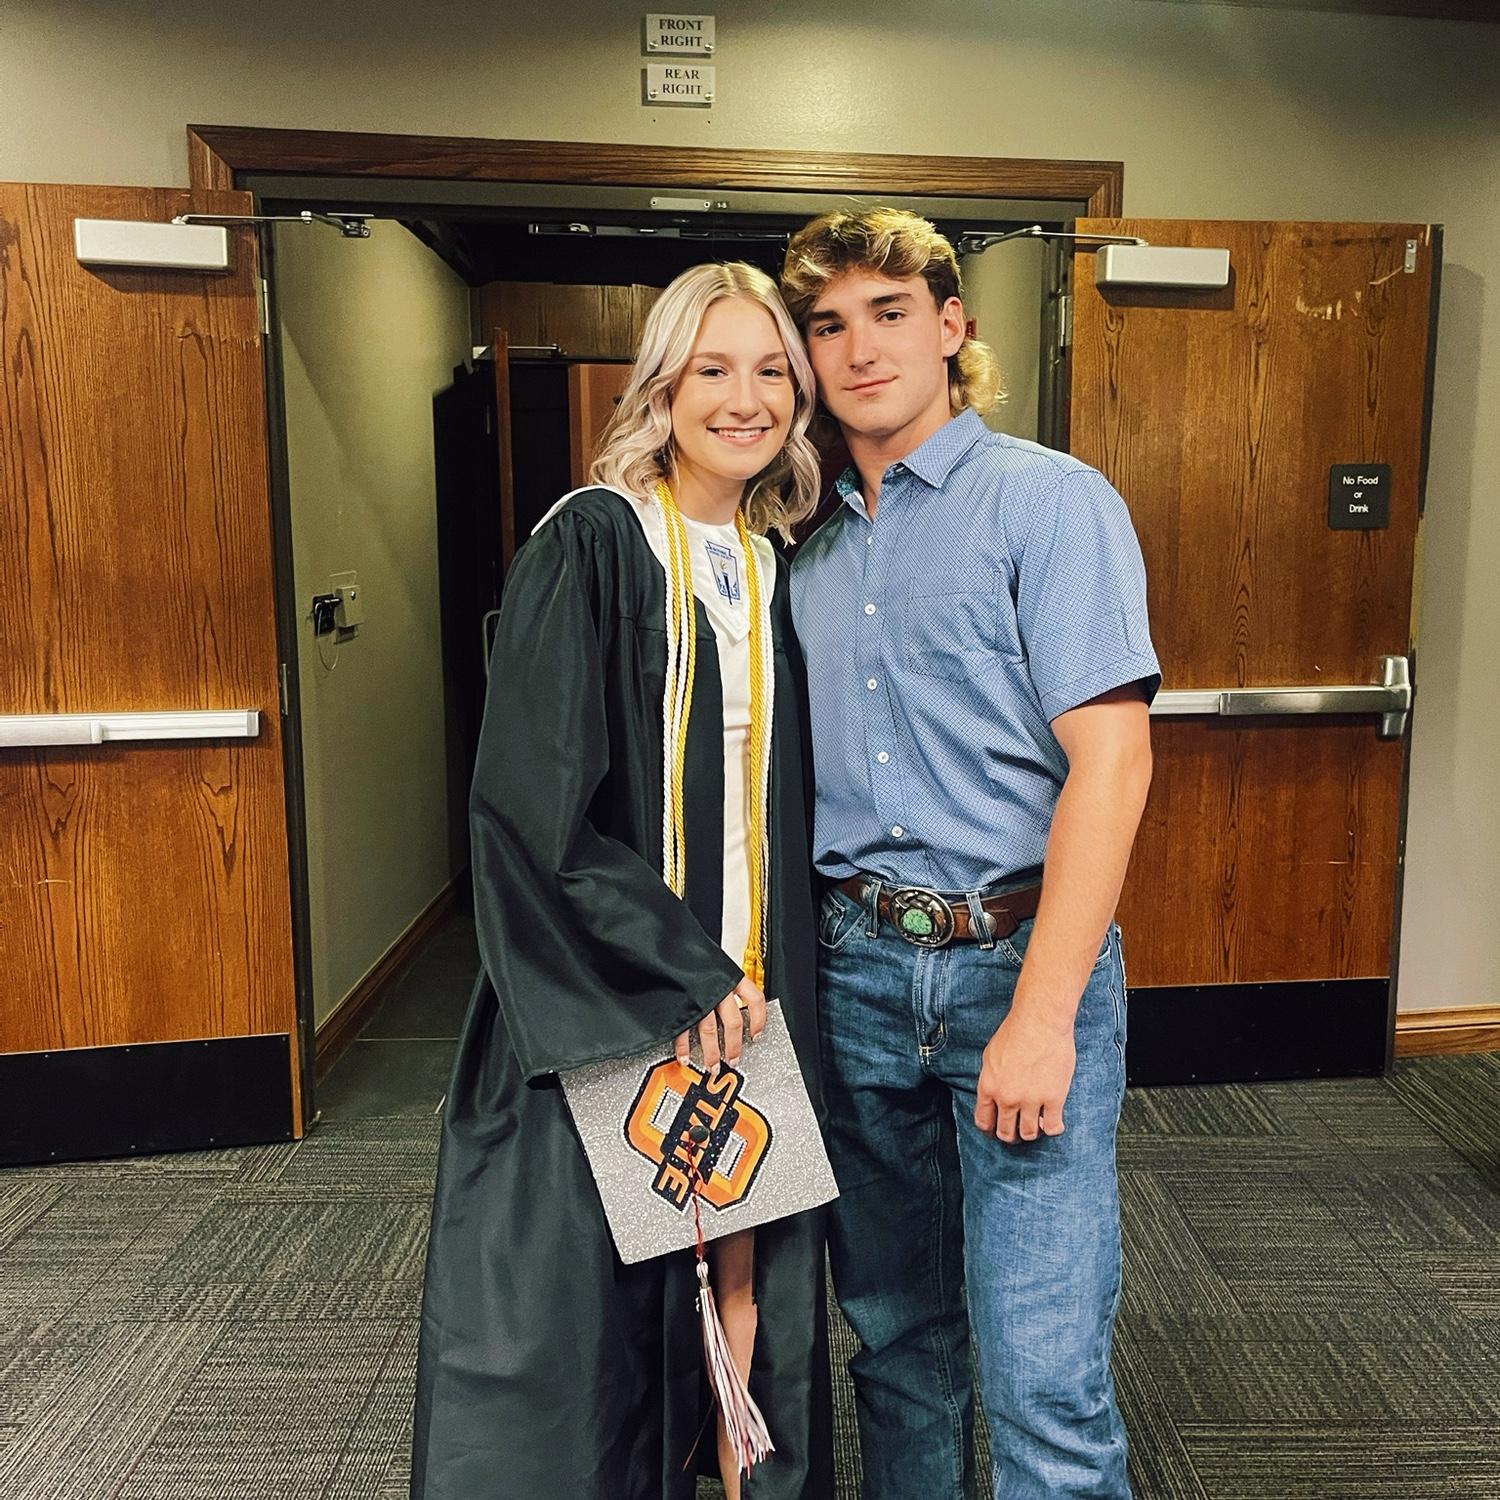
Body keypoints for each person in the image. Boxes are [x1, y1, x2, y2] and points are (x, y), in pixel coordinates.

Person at [409, 262, 833, 1500]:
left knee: (749, 1303)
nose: (746, 400)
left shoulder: (778, 560)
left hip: (758, 1004)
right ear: (662, 387)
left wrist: (744, 987)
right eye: (714, 370)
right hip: (618, 997)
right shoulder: (591, 542)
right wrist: (682, 974)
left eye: (772, 372)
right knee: (593, 1341)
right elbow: (531, 809)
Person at [781, 209, 1159, 1499]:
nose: (860, 349)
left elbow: (1113, 764)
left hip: (1018, 960)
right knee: (896, 1345)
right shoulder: (801, 536)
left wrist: (1044, 1018)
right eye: (829, 325)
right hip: (854, 967)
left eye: (890, 314)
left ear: (952, 326)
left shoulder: (1049, 502)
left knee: (1043, 1374)